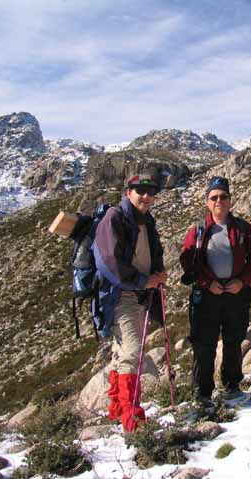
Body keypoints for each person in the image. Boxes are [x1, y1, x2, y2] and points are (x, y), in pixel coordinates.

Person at [93, 173, 167, 432]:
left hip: (139, 296)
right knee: (132, 354)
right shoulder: (115, 218)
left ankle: (116, 409)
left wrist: (158, 275)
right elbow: (109, 262)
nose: (146, 196)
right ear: (128, 192)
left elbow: (152, 254)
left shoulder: (147, 221)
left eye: (151, 192)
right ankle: (132, 419)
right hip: (122, 296)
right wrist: (142, 281)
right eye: (140, 190)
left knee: (120, 353)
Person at [180, 176, 251, 404]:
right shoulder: (198, 230)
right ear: (207, 202)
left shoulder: (242, 228)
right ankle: (203, 391)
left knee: (233, 340)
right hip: (207, 294)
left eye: (223, 197)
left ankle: (232, 384)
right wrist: (207, 283)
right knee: (204, 343)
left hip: (235, 292)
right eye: (214, 197)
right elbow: (187, 261)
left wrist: (243, 281)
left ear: (230, 200)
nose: (219, 201)